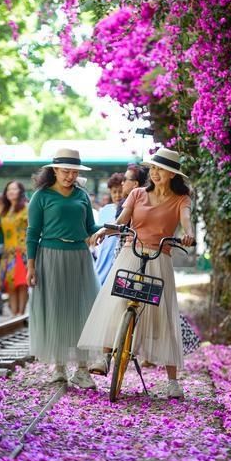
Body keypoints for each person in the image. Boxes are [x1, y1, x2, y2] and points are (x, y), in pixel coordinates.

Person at [78, 147, 195, 399]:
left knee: (163, 317)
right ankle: (105, 356)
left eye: (160, 170)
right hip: (131, 254)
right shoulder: (138, 194)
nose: (154, 173)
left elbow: (186, 219)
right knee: (115, 304)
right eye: (152, 168)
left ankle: (173, 381)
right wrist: (104, 231)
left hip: (159, 258)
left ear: (172, 174)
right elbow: (121, 221)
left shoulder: (181, 200)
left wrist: (189, 234)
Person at [26, 148, 101, 389]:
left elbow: (91, 225)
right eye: (65, 171)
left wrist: (101, 231)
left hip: (79, 256)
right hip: (49, 256)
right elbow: (32, 233)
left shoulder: (82, 195)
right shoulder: (42, 196)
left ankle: (82, 369)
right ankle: (58, 367)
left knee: (83, 309)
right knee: (56, 308)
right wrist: (31, 265)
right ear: (55, 171)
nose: (70, 176)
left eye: (74, 172)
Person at [0, 181, 28, 316]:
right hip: (8, 252)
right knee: (10, 284)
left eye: (14, 189)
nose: (11, 192)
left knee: (22, 284)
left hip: (22, 251)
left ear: (20, 192)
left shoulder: (26, 208)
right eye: (8, 189)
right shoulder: (4, 210)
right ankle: (14, 314)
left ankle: (20, 314)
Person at [93, 172, 124, 286]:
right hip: (104, 252)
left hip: (120, 251)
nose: (117, 195)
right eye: (114, 192)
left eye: (120, 191)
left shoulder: (127, 210)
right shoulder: (105, 210)